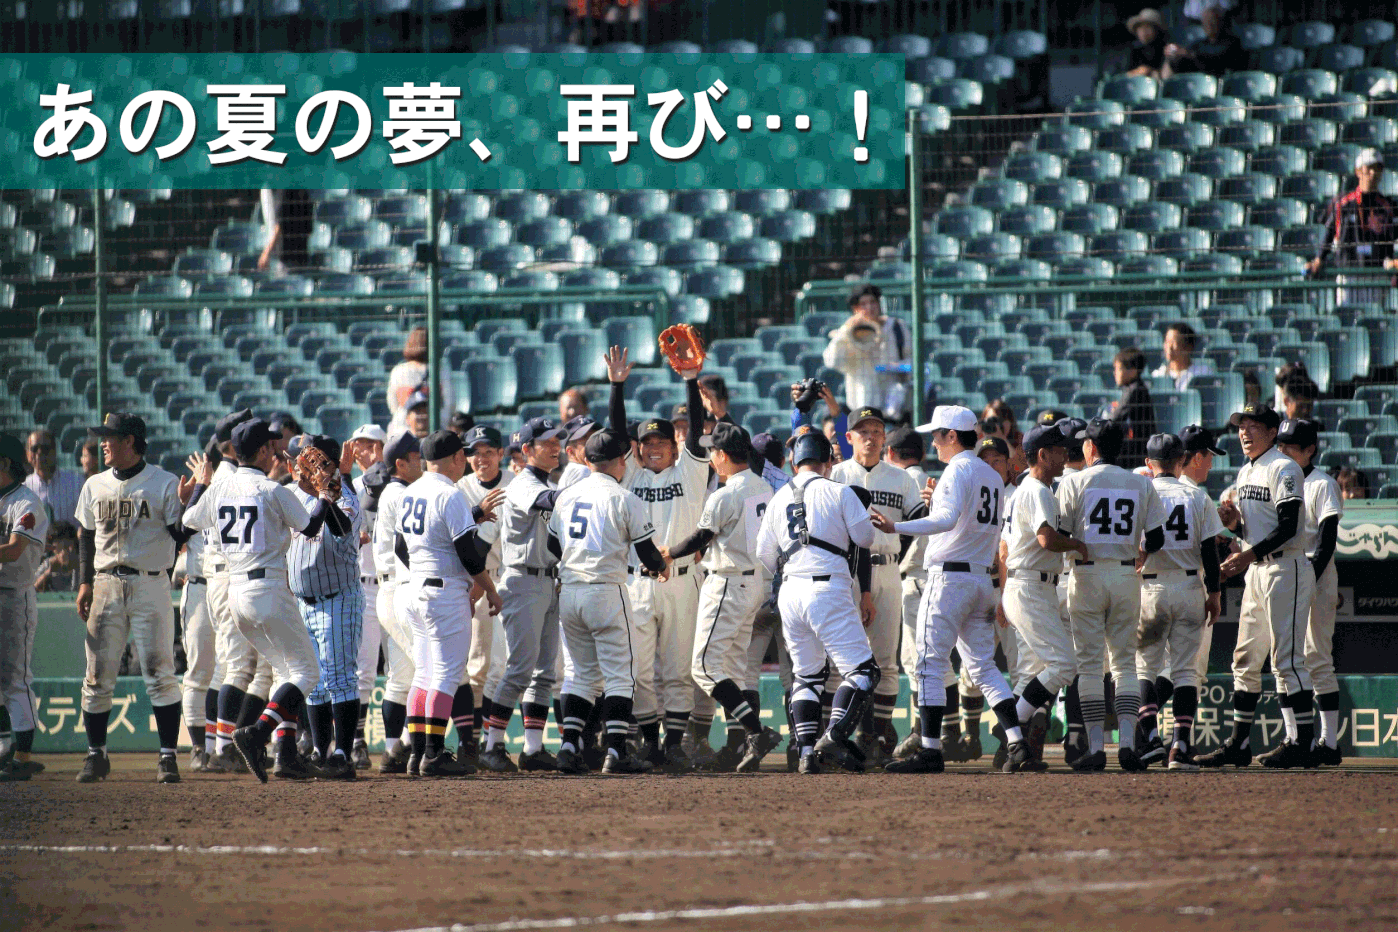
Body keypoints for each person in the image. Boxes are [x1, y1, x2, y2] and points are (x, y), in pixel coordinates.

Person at [183, 418, 351, 783]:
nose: (276, 449)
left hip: (235, 594)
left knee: (286, 674)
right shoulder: (270, 489)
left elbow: (187, 520)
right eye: (271, 445)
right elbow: (310, 527)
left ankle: (286, 756)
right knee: (308, 673)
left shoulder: (220, 487)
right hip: (269, 589)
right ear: (261, 451)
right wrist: (324, 497)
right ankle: (257, 732)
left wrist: (199, 486)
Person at [876, 406, 1027, 774]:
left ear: (953, 436)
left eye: (938, 434)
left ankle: (930, 749)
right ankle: (1018, 742)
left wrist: (896, 528)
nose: (933, 441)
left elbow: (944, 520)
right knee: (984, 667)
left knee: (928, 664)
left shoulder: (957, 468)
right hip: (979, 578)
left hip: (949, 579)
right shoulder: (992, 475)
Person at [74, 414, 202, 785]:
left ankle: (167, 757)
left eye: (109, 437)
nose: (103, 444)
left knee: (160, 672)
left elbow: (180, 535)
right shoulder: (94, 485)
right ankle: (96, 754)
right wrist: (84, 583)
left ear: (130, 441)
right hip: (105, 585)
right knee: (97, 676)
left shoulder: (163, 482)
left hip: (150, 583)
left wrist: (187, 505)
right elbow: (85, 534)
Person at [757, 430, 879, 774]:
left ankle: (807, 753)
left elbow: (765, 554)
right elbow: (865, 537)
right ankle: (835, 734)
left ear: (795, 462)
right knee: (863, 671)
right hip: (828, 587)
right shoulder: (839, 490)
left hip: (791, 591)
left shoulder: (779, 496)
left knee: (807, 676)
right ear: (828, 462)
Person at [549, 427, 670, 775]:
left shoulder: (567, 495)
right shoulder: (623, 497)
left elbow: (552, 547)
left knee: (581, 676)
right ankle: (616, 751)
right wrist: (661, 565)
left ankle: (569, 745)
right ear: (622, 461)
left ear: (588, 461)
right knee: (620, 676)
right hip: (606, 590)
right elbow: (647, 553)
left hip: (570, 591)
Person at [1200, 403, 1315, 770]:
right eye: (1240, 426)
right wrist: (1235, 525)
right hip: (1258, 572)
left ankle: (1301, 742)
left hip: (1286, 569)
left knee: (1287, 661)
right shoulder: (1245, 470)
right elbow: (1253, 530)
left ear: (1271, 430)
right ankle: (1238, 744)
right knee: (1245, 660)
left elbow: (1290, 527)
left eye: (1252, 426)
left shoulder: (1285, 467)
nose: (1244, 433)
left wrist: (1247, 556)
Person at [613, 347, 712, 770]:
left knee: (677, 670)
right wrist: (617, 387)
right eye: (647, 442)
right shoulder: (631, 474)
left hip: (683, 580)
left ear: (674, 447)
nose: (654, 447)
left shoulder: (688, 472)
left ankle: (673, 743)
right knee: (638, 672)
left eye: (662, 442)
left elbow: (693, 434)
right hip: (638, 581)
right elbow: (617, 436)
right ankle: (650, 743)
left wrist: (690, 380)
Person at [663, 422, 780, 772]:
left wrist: (667, 553)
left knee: (703, 668)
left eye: (714, 451)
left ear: (725, 455)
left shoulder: (725, 493)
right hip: (754, 583)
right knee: (731, 668)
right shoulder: (763, 487)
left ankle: (756, 731)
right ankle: (749, 736)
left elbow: (700, 539)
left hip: (727, 583)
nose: (711, 457)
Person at [1056, 417, 1166, 772]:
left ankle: (1096, 747)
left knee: (1089, 665)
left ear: (1090, 447)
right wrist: (1142, 550)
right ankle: (1129, 744)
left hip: (1086, 574)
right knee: (1124, 664)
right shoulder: (1140, 484)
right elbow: (1158, 538)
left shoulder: (1074, 482)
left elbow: (1060, 533)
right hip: (1125, 574)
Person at [394, 429, 503, 778]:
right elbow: (469, 555)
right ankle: (434, 755)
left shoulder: (411, 491)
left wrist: (428, 572)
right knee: (444, 674)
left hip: (412, 589)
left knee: (423, 674)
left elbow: (401, 548)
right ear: (457, 458)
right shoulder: (450, 494)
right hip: (442, 592)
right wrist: (488, 588)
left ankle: (417, 755)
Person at [830, 406, 925, 762]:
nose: (870, 437)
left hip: (887, 569)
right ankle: (837, 736)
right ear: (849, 437)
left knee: (886, 662)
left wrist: (901, 555)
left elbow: (919, 522)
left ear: (885, 440)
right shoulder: (836, 475)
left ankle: (875, 735)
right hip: (846, 572)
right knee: (842, 659)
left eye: (876, 431)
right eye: (863, 431)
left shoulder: (902, 479)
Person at [996, 423, 1087, 771]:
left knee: (1040, 668)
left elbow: (1006, 547)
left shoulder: (1023, 490)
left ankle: (1013, 745)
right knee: (1064, 665)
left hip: (1029, 585)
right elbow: (1047, 539)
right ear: (1042, 455)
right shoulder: (1037, 490)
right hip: (1030, 586)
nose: (1065, 456)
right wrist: (1078, 545)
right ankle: (1012, 724)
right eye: (1059, 450)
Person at [1134, 433, 1225, 771]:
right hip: (1189, 587)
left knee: (1146, 669)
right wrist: (1213, 594)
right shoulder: (1196, 496)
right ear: (1179, 461)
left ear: (1149, 463)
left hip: (1150, 588)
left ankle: (1152, 740)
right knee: (1186, 672)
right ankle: (1180, 748)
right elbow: (1210, 552)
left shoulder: (1141, 493)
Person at [482, 417, 566, 774]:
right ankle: (491, 746)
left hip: (549, 580)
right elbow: (549, 500)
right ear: (527, 450)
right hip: (522, 581)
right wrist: (587, 488)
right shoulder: (522, 483)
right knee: (519, 669)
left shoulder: (548, 480)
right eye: (547, 442)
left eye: (557, 440)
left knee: (545, 671)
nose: (555, 446)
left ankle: (532, 748)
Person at [284, 434, 363, 781]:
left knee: (339, 678)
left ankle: (343, 754)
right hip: (303, 602)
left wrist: (327, 495)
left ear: (332, 465)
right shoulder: (293, 496)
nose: (308, 465)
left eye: (317, 461)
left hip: (338, 600)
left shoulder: (347, 499)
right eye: (306, 460)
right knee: (314, 684)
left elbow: (342, 529)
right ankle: (319, 749)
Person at [1275, 418, 1343, 766]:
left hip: (1315, 577)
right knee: (1285, 660)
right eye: (1281, 445)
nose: (1283, 450)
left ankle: (1329, 743)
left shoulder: (1321, 483)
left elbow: (1327, 541)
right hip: (1289, 576)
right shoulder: (1282, 479)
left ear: (1310, 450)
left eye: (1290, 446)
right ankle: (1293, 738)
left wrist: (1307, 580)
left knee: (1316, 658)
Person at [454, 426, 511, 768]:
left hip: (508, 581)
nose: (481, 458)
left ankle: (494, 743)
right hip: (474, 582)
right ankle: (471, 745)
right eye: (475, 452)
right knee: (477, 668)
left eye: (489, 451)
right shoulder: (460, 489)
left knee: (502, 668)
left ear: (501, 454)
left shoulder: (517, 484)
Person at [371, 430, 423, 774]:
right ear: (400, 463)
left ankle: (394, 750)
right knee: (428, 667)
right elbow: (408, 546)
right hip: (397, 589)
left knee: (401, 677)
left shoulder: (394, 491)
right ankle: (406, 744)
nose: (421, 461)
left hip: (389, 590)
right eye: (416, 457)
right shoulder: (401, 493)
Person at [0, 432, 49, 782]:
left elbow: (15, 549)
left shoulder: (26, 502)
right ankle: (5, 752)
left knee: (16, 679)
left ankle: (23, 755)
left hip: (15, 596)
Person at [1307, 149, 1398, 307]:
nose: (1373, 173)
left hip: (1376, 274)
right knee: (1348, 318)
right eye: (1368, 167)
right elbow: (1329, 234)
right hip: (1347, 273)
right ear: (1358, 171)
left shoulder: (1388, 206)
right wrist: (1318, 259)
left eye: (1377, 168)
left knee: (1374, 320)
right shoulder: (1342, 203)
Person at [821, 284, 912, 419]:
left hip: (894, 410)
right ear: (855, 309)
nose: (869, 308)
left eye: (873, 302)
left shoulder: (897, 327)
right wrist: (846, 329)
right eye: (863, 304)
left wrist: (896, 367)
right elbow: (831, 362)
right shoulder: (846, 332)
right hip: (861, 410)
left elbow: (913, 363)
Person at [387, 328, 456, 434]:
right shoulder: (441, 370)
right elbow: (449, 404)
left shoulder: (398, 371)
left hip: (401, 429)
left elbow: (393, 405)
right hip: (436, 428)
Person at [1164, 1, 1245, 77]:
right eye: (1206, 21)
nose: (1209, 24)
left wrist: (1190, 54)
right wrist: (1172, 55)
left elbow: (1216, 61)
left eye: (1212, 20)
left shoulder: (1232, 42)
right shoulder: (1198, 45)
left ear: (1221, 21)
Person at [24, 428, 84, 529]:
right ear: (28, 454)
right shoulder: (24, 489)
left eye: (45, 448)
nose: (39, 453)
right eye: (34, 449)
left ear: (55, 451)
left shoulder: (76, 482)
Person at [1108, 346, 1157, 470]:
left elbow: (1115, 419)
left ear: (1133, 370)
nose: (1115, 373)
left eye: (1118, 369)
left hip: (1138, 453)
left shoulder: (1134, 390)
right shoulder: (1134, 388)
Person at [1153, 323, 1215, 391]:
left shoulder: (1203, 373)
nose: (1169, 347)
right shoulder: (1159, 375)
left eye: (1174, 342)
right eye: (1167, 342)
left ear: (1189, 347)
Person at [1125, 8, 1168, 78]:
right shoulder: (1134, 50)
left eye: (1147, 27)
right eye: (1140, 27)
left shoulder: (1164, 48)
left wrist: (1149, 71)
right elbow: (1127, 74)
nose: (1143, 31)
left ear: (1157, 29)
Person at [35, 524, 79, 592]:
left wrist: (72, 565)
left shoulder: (81, 563)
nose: (53, 545)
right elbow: (33, 587)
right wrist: (48, 572)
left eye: (55, 541)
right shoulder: (49, 563)